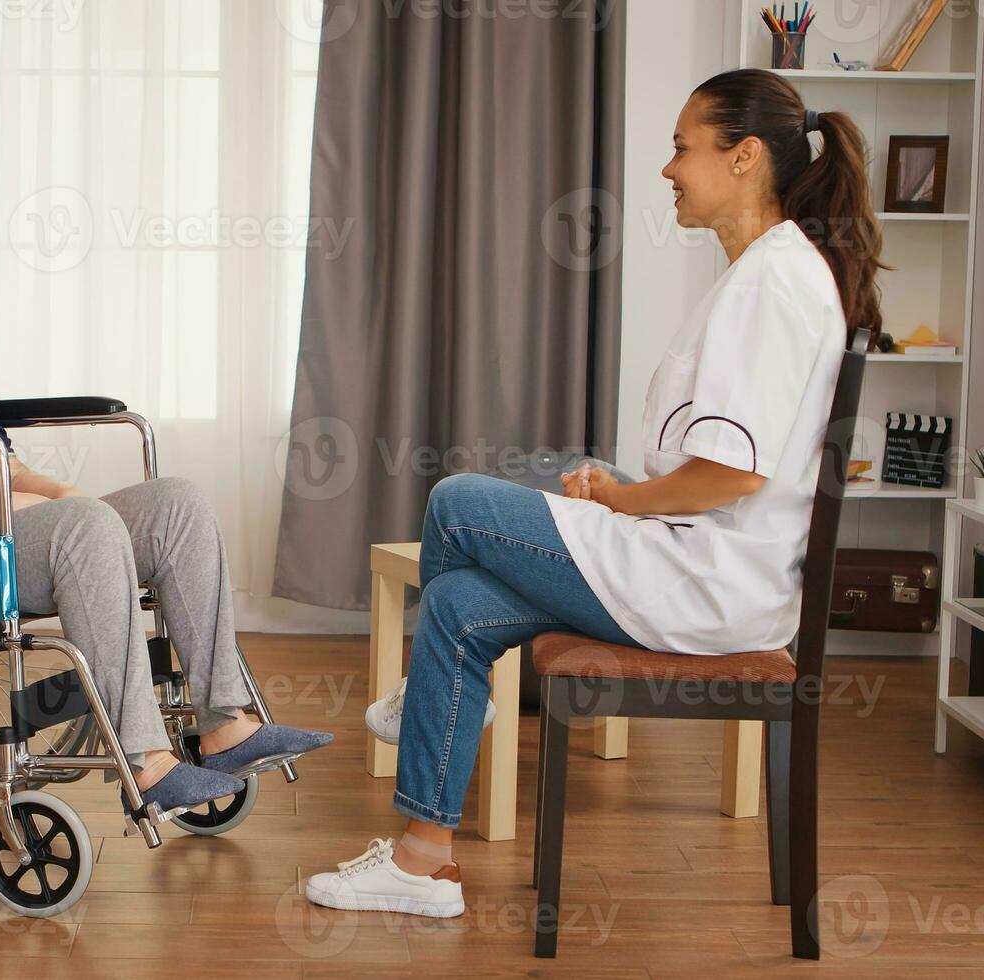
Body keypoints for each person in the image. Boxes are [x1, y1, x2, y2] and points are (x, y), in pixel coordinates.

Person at [306, 67, 884, 917]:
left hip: (708, 586)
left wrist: (617, 502)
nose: (668, 169)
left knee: (458, 502)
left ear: (744, 157)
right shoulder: (771, 272)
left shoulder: (773, 283)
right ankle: (423, 860)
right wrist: (620, 494)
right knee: (461, 604)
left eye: (683, 148)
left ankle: (438, 706)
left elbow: (732, 472)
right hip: (700, 566)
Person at [0, 178, 332, 817]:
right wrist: (22, 509)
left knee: (176, 502)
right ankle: (145, 762)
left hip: (0, 535)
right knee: (80, 526)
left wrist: (57, 492)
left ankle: (224, 724)